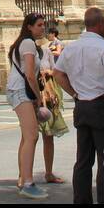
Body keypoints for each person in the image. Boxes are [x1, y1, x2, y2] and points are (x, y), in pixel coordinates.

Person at [54, 7, 104, 204]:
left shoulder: (72, 47)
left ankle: (81, 200)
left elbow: (58, 73)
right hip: (102, 107)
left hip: (82, 107)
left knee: (83, 160)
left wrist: (74, 93)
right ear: (101, 24)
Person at [7, 12, 50, 199]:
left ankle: (22, 177)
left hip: (18, 90)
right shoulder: (28, 43)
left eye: (43, 25)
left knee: (27, 137)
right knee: (32, 136)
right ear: (29, 27)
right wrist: (38, 97)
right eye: (39, 25)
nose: (43, 28)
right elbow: (31, 75)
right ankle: (28, 182)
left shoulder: (24, 43)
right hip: (21, 91)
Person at [35, 28, 68, 185]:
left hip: (47, 95)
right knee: (30, 137)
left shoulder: (47, 50)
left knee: (48, 136)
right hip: (33, 96)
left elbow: (56, 70)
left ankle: (48, 172)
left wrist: (47, 71)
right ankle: (24, 175)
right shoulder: (26, 50)